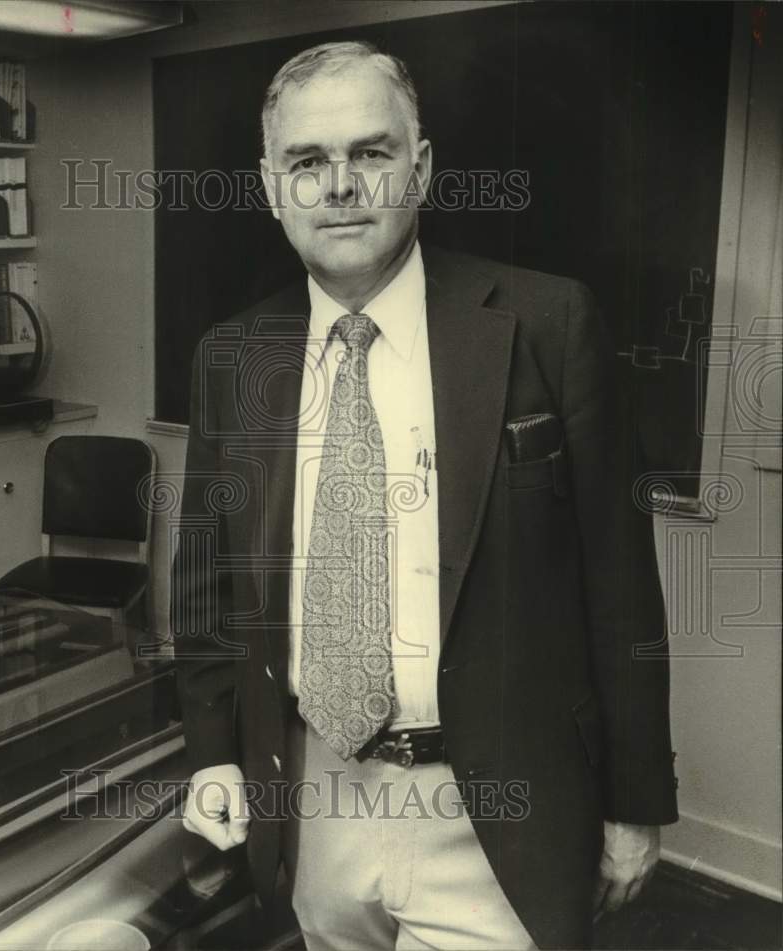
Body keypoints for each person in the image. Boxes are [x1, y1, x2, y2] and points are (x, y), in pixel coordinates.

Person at [171, 40, 677, 950]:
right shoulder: (234, 357)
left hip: (497, 813)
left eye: (371, 153)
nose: (341, 186)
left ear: (422, 165)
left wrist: (636, 801)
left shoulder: (548, 326)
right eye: (307, 162)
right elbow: (206, 590)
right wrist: (213, 752)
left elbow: (621, 586)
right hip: (314, 798)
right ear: (269, 183)